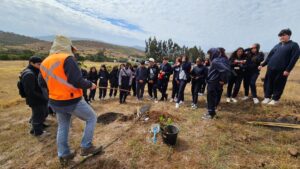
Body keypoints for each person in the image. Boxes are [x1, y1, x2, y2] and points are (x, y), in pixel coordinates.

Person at [39, 35, 98, 163]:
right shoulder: (67, 59)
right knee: (92, 117)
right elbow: (77, 81)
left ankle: (64, 154)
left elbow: (42, 83)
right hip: (72, 100)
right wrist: (90, 85)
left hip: (55, 101)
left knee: (63, 125)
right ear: (67, 46)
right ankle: (86, 147)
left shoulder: (45, 62)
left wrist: (55, 91)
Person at [259, 28, 300, 105]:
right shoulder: (277, 45)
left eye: (283, 35)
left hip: (282, 70)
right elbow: (269, 56)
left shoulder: (294, 45)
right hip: (270, 68)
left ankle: (275, 99)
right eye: (280, 35)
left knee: (278, 84)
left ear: (289, 35)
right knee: (268, 83)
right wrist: (263, 65)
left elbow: (294, 58)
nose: (281, 37)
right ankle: (267, 97)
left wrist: (288, 70)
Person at [21, 56, 48, 136]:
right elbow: (30, 92)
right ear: (31, 63)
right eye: (39, 64)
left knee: (41, 113)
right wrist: (42, 97)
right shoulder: (29, 74)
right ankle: (38, 132)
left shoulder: (34, 71)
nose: (40, 66)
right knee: (38, 115)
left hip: (39, 98)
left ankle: (38, 126)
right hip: (35, 99)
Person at [202, 48, 231, 120]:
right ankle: (211, 112)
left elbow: (226, 70)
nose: (208, 56)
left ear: (213, 53)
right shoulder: (219, 60)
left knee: (210, 98)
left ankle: (211, 114)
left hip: (213, 82)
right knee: (212, 98)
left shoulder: (215, 61)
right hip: (214, 81)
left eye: (209, 54)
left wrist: (223, 80)